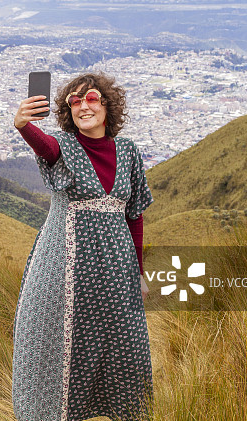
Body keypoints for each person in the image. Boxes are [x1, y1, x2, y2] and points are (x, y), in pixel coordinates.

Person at [11, 71, 154, 421]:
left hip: (117, 273)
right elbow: (46, 146)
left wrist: (138, 273)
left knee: (127, 352)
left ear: (107, 105)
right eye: (74, 101)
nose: (83, 106)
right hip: (64, 268)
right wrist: (23, 125)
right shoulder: (66, 146)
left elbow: (134, 216)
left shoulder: (129, 152)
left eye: (90, 98)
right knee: (61, 351)